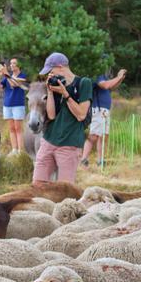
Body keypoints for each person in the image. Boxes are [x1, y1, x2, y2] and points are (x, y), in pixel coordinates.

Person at [32, 52, 92, 184]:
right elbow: (51, 115)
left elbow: (81, 114)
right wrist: (50, 91)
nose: (50, 74)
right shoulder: (56, 85)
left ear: (60, 67)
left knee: (64, 190)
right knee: (37, 185)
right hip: (48, 141)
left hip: (69, 145)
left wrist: (65, 94)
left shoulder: (83, 83)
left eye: (51, 70)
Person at [81, 67, 127, 168]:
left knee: (103, 136)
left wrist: (120, 79)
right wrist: (118, 77)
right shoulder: (97, 74)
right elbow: (106, 85)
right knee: (94, 135)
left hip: (104, 110)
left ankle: (100, 161)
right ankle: (84, 159)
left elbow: (112, 86)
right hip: (98, 109)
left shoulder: (105, 77)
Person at [0, 57, 28, 154]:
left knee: (18, 128)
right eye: (11, 63)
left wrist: (6, 74)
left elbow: (13, 84)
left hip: (18, 105)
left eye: (14, 63)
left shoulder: (22, 75)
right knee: (11, 128)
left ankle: (20, 150)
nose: (11, 65)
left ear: (19, 65)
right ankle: (14, 150)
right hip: (7, 105)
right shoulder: (6, 77)